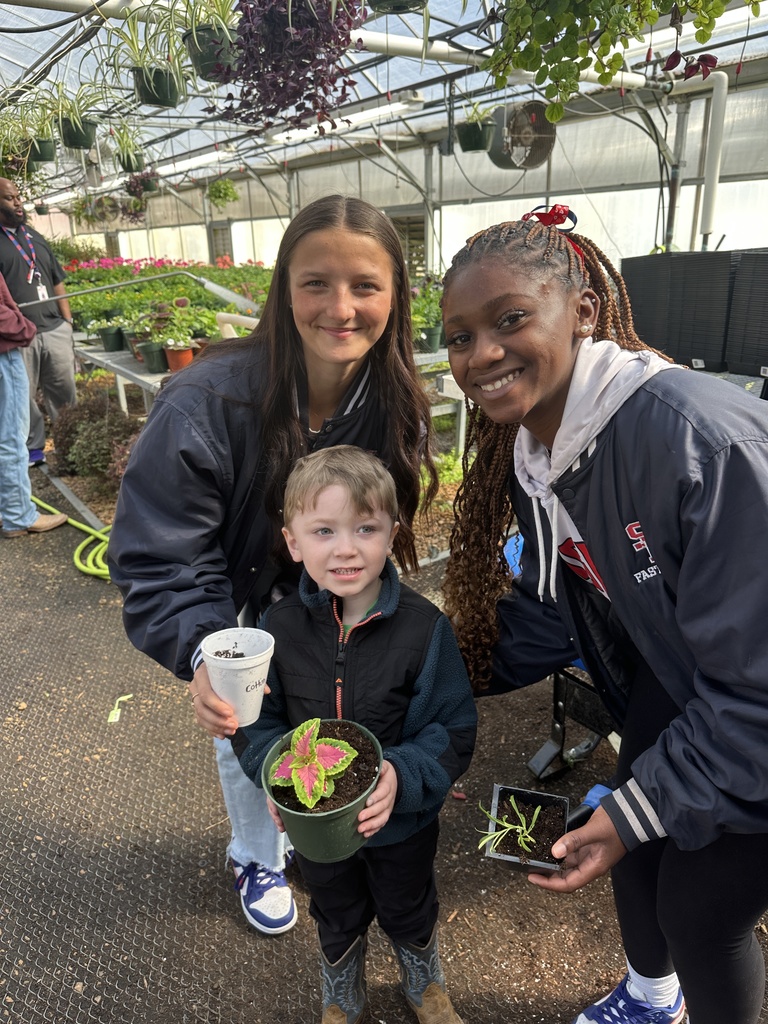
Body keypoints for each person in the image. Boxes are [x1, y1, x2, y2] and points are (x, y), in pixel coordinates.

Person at [440, 205, 768, 1024]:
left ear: (584, 311)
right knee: (636, 839)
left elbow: (760, 693)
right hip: (697, 679)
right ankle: (650, 998)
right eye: (457, 336)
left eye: (511, 319)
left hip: (756, 705)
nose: (481, 354)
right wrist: (414, 675)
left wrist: (640, 808)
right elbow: (561, 614)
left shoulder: (701, 445)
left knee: (700, 909)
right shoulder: (540, 457)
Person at [107, 195, 440, 937]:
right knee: (246, 716)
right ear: (283, 287)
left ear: (396, 294)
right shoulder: (205, 400)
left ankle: (305, 824)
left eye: (366, 285)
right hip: (234, 594)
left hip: (316, 594)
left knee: (326, 717)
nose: (341, 307)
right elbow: (162, 557)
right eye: (315, 282)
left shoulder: (391, 402)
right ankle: (256, 852)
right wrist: (207, 647)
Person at [234, 445, 477, 1024]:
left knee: (408, 902)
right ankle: (341, 981)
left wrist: (401, 774)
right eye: (323, 530)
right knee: (334, 905)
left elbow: (453, 728)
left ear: (391, 534)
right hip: (314, 823)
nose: (345, 547)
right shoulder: (276, 628)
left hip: (404, 823)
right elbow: (255, 722)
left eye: (365, 527)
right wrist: (277, 774)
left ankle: (422, 974)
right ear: (293, 543)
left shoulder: (425, 629)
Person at [0, 177, 77, 467]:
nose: (18, 202)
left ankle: (69, 445)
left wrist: (67, 322)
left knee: (64, 391)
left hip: (54, 328)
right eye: (9, 198)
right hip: (20, 336)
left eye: (18, 197)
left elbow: (57, 281)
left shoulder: (33, 236)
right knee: (24, 396)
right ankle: (34, 449)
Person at [0, 271, 69, 537]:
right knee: (11, 435)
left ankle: (7, 509)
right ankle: (19, 516)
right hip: (3, 354)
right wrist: (24, 328)